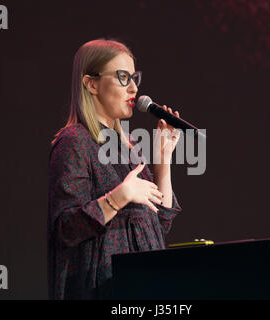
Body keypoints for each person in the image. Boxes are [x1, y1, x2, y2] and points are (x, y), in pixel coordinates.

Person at [47, 39, 183, 300]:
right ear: (91, 84)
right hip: (103, 288)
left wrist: (163, 158)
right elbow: (65, 229)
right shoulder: (74, 142)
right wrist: (120, 196)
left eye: (135, 78)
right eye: (123, 77)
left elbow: (159, 222)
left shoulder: (130, 147)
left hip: (146, 287)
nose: (134, 88)